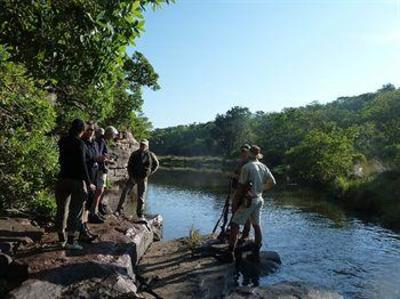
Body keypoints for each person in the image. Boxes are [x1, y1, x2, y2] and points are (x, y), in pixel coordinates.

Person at [225, 145, 276, 262]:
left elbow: (241, 187)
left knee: (234, 223)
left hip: (249, 200)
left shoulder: (247, 167)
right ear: (258, 155)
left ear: (250, 154)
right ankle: (256, 252)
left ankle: (230, 253)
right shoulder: (263, 166)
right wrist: (261, 188)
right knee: (256, 225)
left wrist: (235, 202)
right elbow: (272, 182)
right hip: (259, 199)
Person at [55, 119, 96, 250]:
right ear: (82, 130)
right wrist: (89, 183)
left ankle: (61, 239)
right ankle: (71, 242)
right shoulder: (80, 144)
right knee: (75, 211)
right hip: (76, 181)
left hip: (62, 179)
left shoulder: (62, 141)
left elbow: (61, 159)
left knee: (61, 210)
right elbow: (82, 165)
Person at [115, 139, 159, 219]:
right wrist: (131, 176)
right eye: (141, 144)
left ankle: (140, 214)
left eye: (144, 145)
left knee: (141, 197)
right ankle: (119, 210)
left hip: (143, 178)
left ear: (147, 146)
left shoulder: (150, 154)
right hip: (133, 177)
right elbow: (129, 166)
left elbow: (156, 164)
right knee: (125, 192)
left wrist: (149, 173)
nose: (142, 146)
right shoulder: (134, 154)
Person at [231, 144, 252, 241]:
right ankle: (238, 232)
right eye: (242, 152)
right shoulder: (241, 162)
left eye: (245, 152)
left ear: (249, 153)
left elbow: (247, 179)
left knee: (245, 212)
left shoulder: (249, 164)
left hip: (245, 191)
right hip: (238, 190)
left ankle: (245, 234)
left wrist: (236, 177)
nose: (243, 153)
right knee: (235, 211)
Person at [90, 127, 109, 217]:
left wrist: (106, 158)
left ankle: (96, 210)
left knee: (101, 190)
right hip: (98, 169)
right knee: (99, 190)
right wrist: (103, 158)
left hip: (99, 168)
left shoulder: (100, 142)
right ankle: (93, 212)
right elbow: (96, 156)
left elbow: (104, 154)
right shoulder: (96, 142)